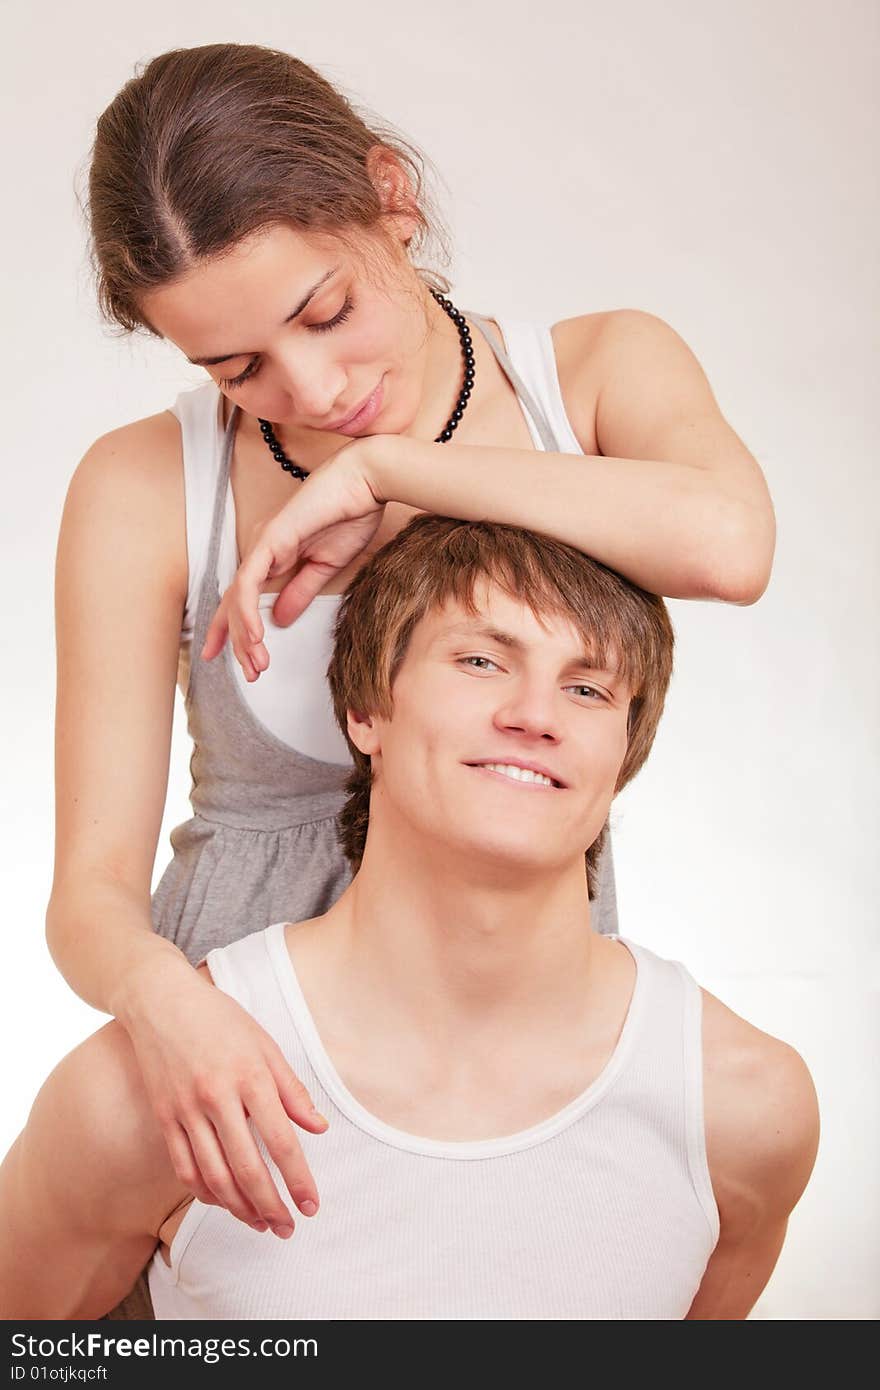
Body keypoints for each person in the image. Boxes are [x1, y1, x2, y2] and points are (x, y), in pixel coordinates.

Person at [49, 40, 776, 1306]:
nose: (313, 390)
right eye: (237, 369)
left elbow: (729, 542)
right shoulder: (142, 484)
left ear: (392, 194)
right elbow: (88, 894)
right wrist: (168, 1016)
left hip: (516, 1025)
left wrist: (391, 475)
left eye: (325, 312)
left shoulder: (593, 377)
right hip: (235, 1079)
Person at [1, 517, 816, 1321]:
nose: (536, 715)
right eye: (480, 660)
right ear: (365, 712)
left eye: (587, 687)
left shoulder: (745, 1111)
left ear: (622, 753)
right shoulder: (137, 1104)